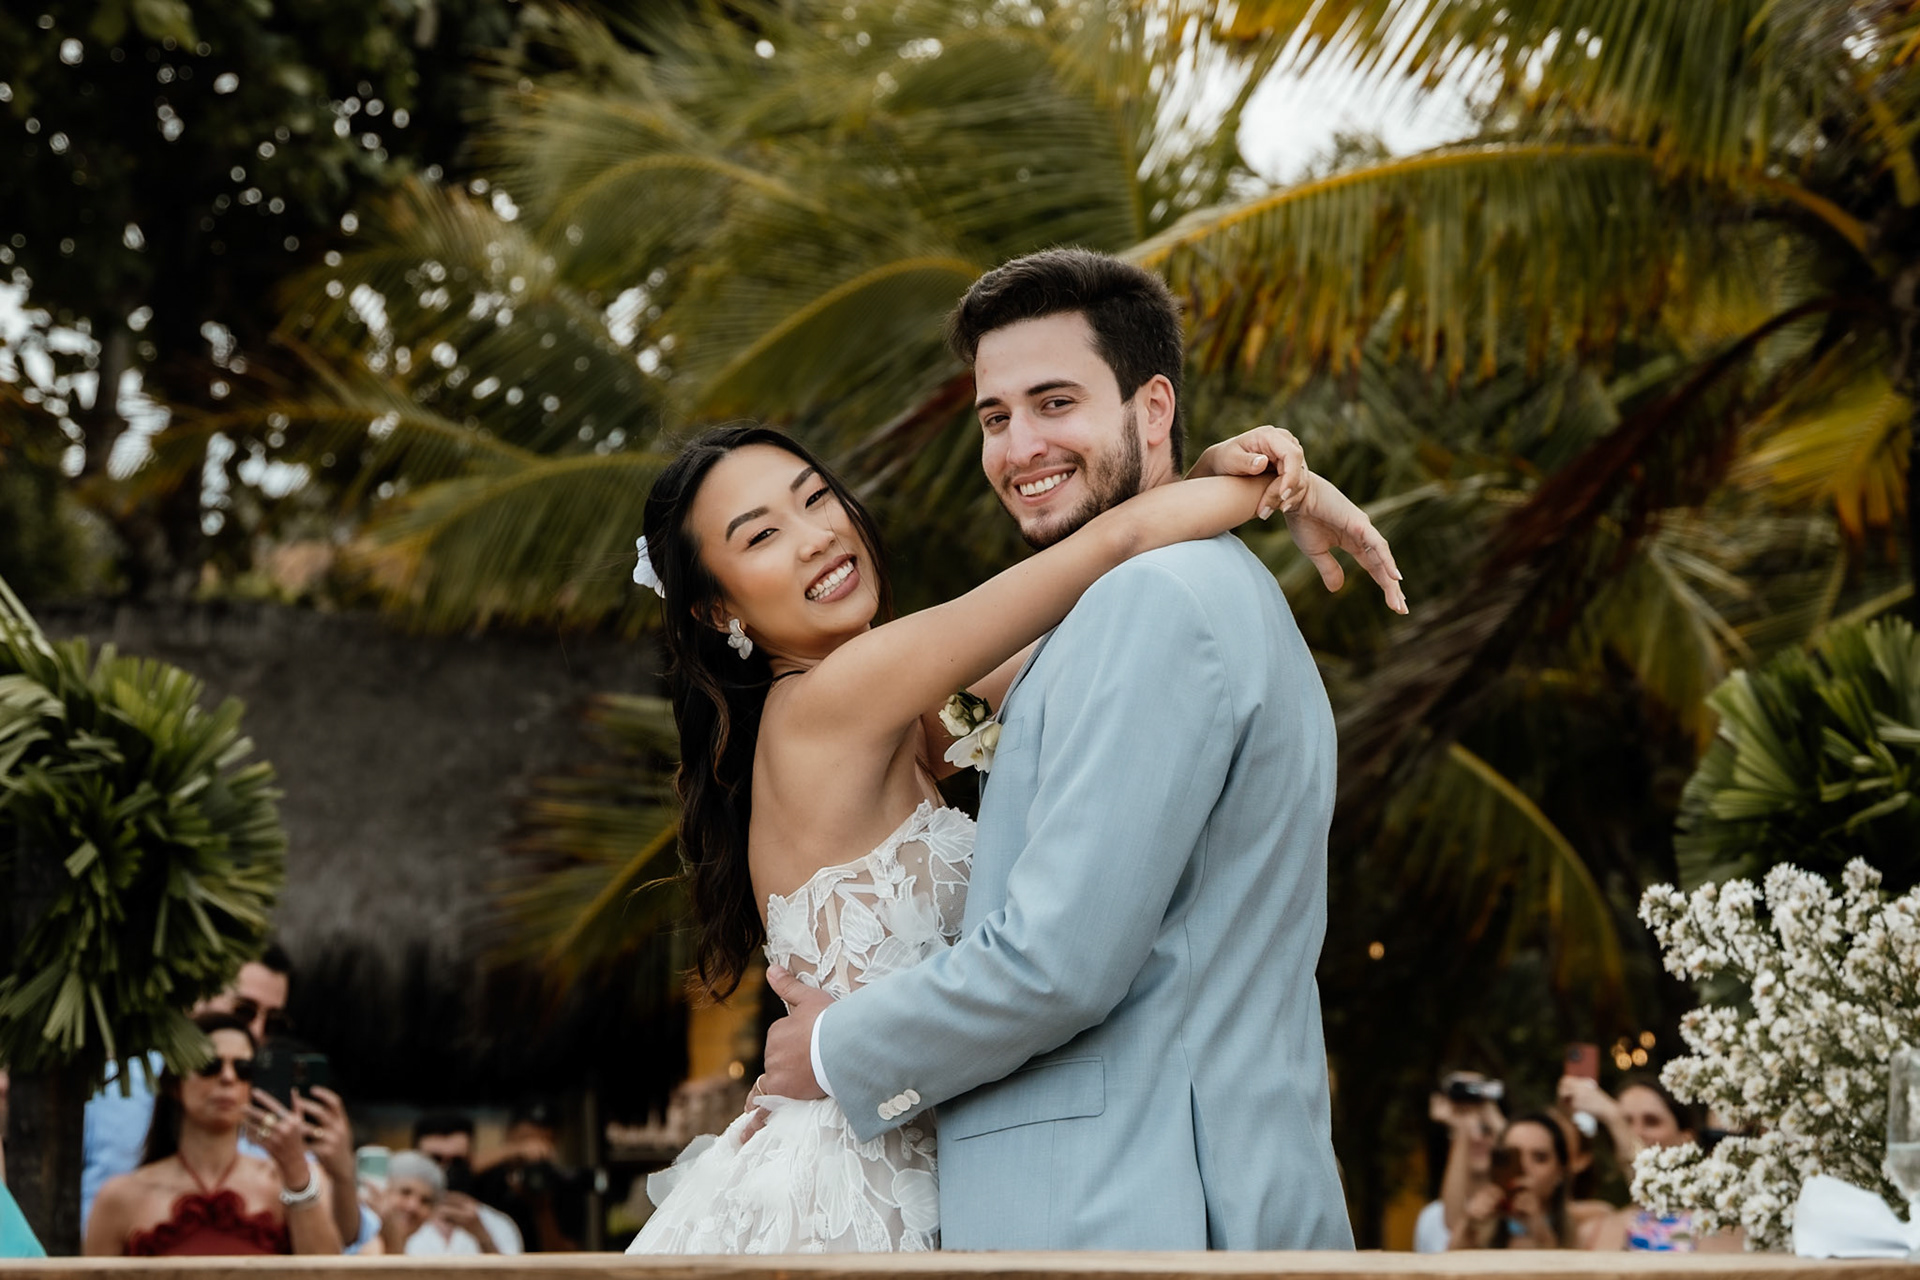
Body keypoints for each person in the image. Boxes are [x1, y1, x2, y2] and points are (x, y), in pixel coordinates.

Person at [638, 249, 1400, 1251]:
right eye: (996, 417)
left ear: (1152, 407)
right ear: (718, 608)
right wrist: (1275, 489)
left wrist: (1256, 478)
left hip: (1071, 1185)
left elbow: (1057, 958)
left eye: (817, 497)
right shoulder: (838, 702)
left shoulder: (1131, 619)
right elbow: (1108, 553)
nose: (818, 535)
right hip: (868, 1177)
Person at [78, 945, 372, 1251]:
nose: (257, 1030)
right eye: (244, 1009)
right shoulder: (111, 1086)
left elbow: (340, 1244)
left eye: (272, 1021)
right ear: (196, 995)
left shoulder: (278, 1110)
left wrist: (341, 1176)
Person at [82, 1012, 342, 1256]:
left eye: (243, 1068)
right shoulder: (119, 1197)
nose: (228, 1077)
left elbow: (327, 1274)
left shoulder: (291, 1180)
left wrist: (296, 1173)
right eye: (209, 1065)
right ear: (174, 1083)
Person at [470, 1101, 584, 1251]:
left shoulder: (559, 1184)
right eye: (525, 1138)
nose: (532, 1150)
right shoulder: (489, 1175)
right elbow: (458, 1172)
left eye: (543, 1141)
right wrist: (515, 1151)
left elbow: (566, 1256)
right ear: (509, 1134)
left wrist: (542, 1209)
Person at [1447, 1112, 1572, 1249]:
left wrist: (1540, 1231)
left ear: (1561, 1171)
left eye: (1539, 1158)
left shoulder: (1586, 1226)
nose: (1524, 1166)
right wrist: (1468, 1225)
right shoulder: (1480, 1225)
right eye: (1513, 1156)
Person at [1415, 1072, 1504, 1253]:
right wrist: (1461, 1128)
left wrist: (1496, 1121)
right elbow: (1453, 1224)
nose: (1477, 1137)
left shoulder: (1515, 1207)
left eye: (1485, 1129)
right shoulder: (1431, 1218)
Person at [413, 1113, 523, 1253]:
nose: (446, 1170)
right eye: (436, 1160)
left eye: (457, 1162)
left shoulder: (498, 1224)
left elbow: (512, 1274)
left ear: (470, 1161)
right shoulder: (400, 1218)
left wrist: (481, 1235)